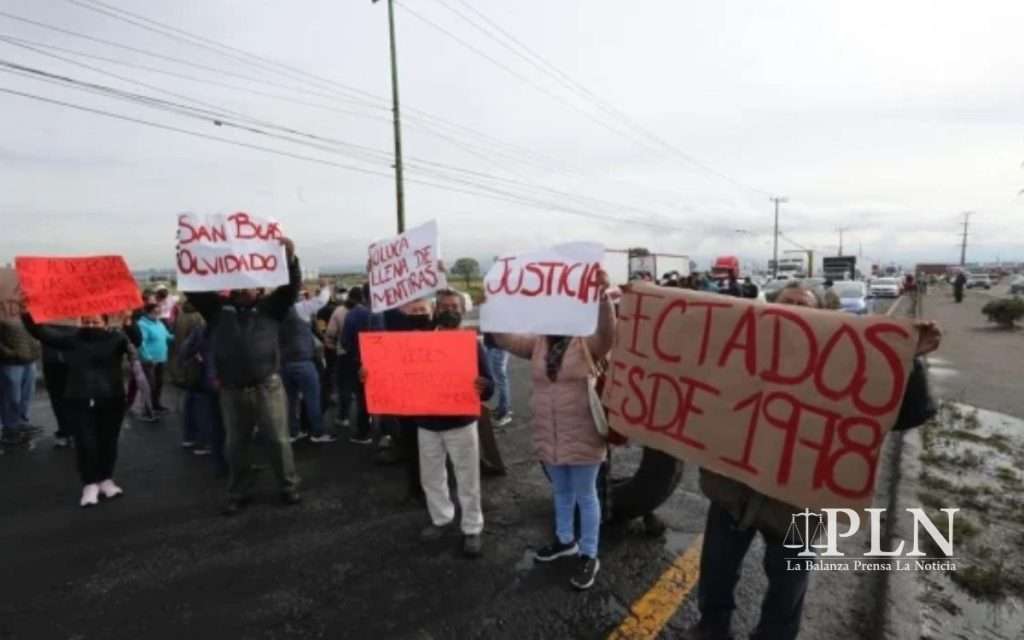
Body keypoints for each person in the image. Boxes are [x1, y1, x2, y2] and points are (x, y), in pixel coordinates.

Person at [691, 280, 943, 640]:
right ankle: (712, 627)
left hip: (800, 502)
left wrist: (910, 360)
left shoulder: (847, 363)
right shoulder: (742, 351)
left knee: (788, 584)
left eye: (803, 303)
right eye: (787, 302)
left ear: (823, 317)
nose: (794, 308)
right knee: (716, 568)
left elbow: (906, 415)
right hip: (735, 491)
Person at [490, 269, 614, 591]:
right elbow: (504, 338)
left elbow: (609, 332)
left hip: (583, 430)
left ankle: (589, 554)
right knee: (561, 492)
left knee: (586, 496)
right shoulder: (539, 343)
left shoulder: (588, 342)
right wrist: (495, 306)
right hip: (549, 432)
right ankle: (564, 541)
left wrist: (602, 297)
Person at [186, 237, 303, 515]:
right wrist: (189, 257)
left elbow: (291, 287)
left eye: (249, 280)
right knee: (236, 444)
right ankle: (239, 491)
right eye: (237, 279)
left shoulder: (271, 308)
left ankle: (288, 486)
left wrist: (290, 258)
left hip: (267, 385)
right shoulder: (217, 309)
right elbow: (193, 290)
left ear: (259, 284)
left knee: (278, 440)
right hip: (232, 389)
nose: (243, 285)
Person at [373, 291, 494, 557]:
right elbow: (394, 369)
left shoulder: (471, 344)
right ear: (436, 309)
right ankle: (441, 517)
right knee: (431, 476)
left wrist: (483, 387)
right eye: (445, 305)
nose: (449, 309)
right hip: (427, 422)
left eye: (455, 305)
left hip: (461, 423)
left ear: (462, 310)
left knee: (467, 478)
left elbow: (489, 386)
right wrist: (370, 372)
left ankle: (472, 527)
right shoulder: (419, 341)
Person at [23, 312, 137, 507]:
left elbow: (137, 341)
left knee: (108, 442)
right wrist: (27, 314)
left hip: (112, 398)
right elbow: (41, 332)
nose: (91, 325)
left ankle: (106, 479)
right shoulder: (72, 339)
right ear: (80, 322)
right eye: (87, 321)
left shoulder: (117, 338)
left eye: (95, 322)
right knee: (86, 442)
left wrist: (129, 323)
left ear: (105, 323)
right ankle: (90, 484)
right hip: (80, 398)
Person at [279, 306, 336, 444]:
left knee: (291, 401)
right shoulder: (303, 316)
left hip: (284, 364)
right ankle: (317, 432)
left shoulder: (277, 317)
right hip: (304, 362)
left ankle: (294, 432)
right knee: (312, 399)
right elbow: (315, 341)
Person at [178, 322, 225, 466]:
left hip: (198, 376)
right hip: (217, 379)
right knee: (208, 412)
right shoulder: (227, 327)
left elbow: (184, 349)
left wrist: (194, 357)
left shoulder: (200, 327)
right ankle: (205, 443)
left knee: (194, 406)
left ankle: (191, 438)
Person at [340, 285, 373, 444]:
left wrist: (356, 354)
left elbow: (344, 341)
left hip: (359, 361)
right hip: (388, 363)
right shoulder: (392, 312)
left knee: (363, 398)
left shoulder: (353, 314)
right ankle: (390, 434)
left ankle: (364, 431)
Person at [0, 316, 41, 443]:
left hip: (30, 359)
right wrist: (9, 353)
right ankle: (10, 427)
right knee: (12, 396)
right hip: (11, 362)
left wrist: (36, 345)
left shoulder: (27, 313)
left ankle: (23, 422)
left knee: (26, 394)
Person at [325, 288, 356, 426]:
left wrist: (331, 346)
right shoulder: (367, 311)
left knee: (344, 385)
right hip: (365, 354)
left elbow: (331, 332)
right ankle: (367, 419)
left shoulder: (339, 311)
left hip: (344, 352)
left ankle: (344, 417)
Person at [137, 304, 173, 416]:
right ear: (147, 312)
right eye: (155, 312)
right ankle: (147, 410)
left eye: (159, 312)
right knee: (150, 386)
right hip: (150, 361)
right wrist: (147, 357)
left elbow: (167, 336)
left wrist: (181, 336)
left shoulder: (159, 323)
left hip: (161, 359)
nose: (158, 314)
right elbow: (141, 343)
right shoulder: (142, 324)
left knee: (159, 384)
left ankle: (156, 405)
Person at [486, 342, 512, 426]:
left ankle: (504, 412)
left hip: (497, 347)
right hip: (496, 346)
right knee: (500, 379)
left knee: (500, 380)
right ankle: (503, 408)